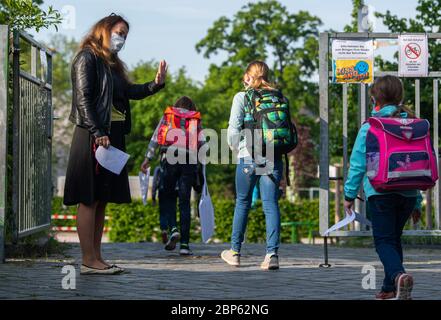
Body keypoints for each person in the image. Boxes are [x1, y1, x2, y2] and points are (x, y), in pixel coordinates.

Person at [63, 14, 167, 275]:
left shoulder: (112, 64)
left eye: (126, 35)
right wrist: (97, 130)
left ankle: (97, 257)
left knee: (101, 198)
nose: (122, 38)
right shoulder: (87, 57)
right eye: (119, 32)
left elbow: (128, 92)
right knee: (88, 198)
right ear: (104, 29)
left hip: (113, 135)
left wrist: (155, 85)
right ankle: (87, 259)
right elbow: (83, 98)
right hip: (93, 134)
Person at [343, 75, 423, 300]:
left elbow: (358, 163)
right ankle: (390, 287)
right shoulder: (413, 124)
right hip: (408, 193)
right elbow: (418, 163)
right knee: (394, 239)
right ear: (400, 96)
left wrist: (349, 194)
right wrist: (417, 202)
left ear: (373, 98)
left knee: (383, 241)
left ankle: (398, 275)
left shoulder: (372, 125)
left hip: (380, 193)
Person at [221, 60, 297, 270]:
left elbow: (233, 131)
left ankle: (235, 253)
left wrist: (237, 150)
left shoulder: (242, 97)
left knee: (243, 202)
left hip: (249, 156)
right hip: (273, 156)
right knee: (270, 204)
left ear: (248, 76)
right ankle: (272, 255)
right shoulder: (281, 97)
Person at [141, 96, 205, 256]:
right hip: (189, 161)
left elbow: (156, 138)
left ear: (176, 106)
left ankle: (173, 229)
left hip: (169, 157)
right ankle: (184, 245)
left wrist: (147, 158)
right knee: (184, 202)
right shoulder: (195, 119)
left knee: (167, 196)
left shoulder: (168, 116)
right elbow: (204, 145)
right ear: (191, 107)